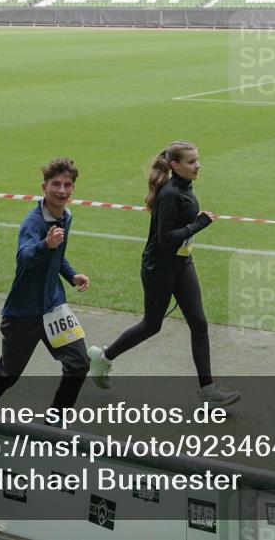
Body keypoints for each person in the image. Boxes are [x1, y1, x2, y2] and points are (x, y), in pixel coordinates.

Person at [87, 141, 240, 408]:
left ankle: (208, 390)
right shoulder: (170, 194)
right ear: (175, 165)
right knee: (152, 325)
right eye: (191, 162)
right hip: (159, 269)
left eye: (198, 159)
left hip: (182, 264)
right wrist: (198, 225)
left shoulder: (184, 187)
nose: (198, 165)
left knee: (199, 323)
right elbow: (166, 239)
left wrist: (192, 229)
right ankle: (104, 357)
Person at [0, 158, 91, 413]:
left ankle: (56, 418)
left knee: (79, 364)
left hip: (54, 308)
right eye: (56, 184)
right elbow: (25, 257)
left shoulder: (66, 216)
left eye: (67, 185)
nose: (62, 190)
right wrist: (45, 245)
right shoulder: (34, 223)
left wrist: (71, 275)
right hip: (24, 312)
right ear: (44, 186)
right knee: (9, 372)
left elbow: (57, 256)